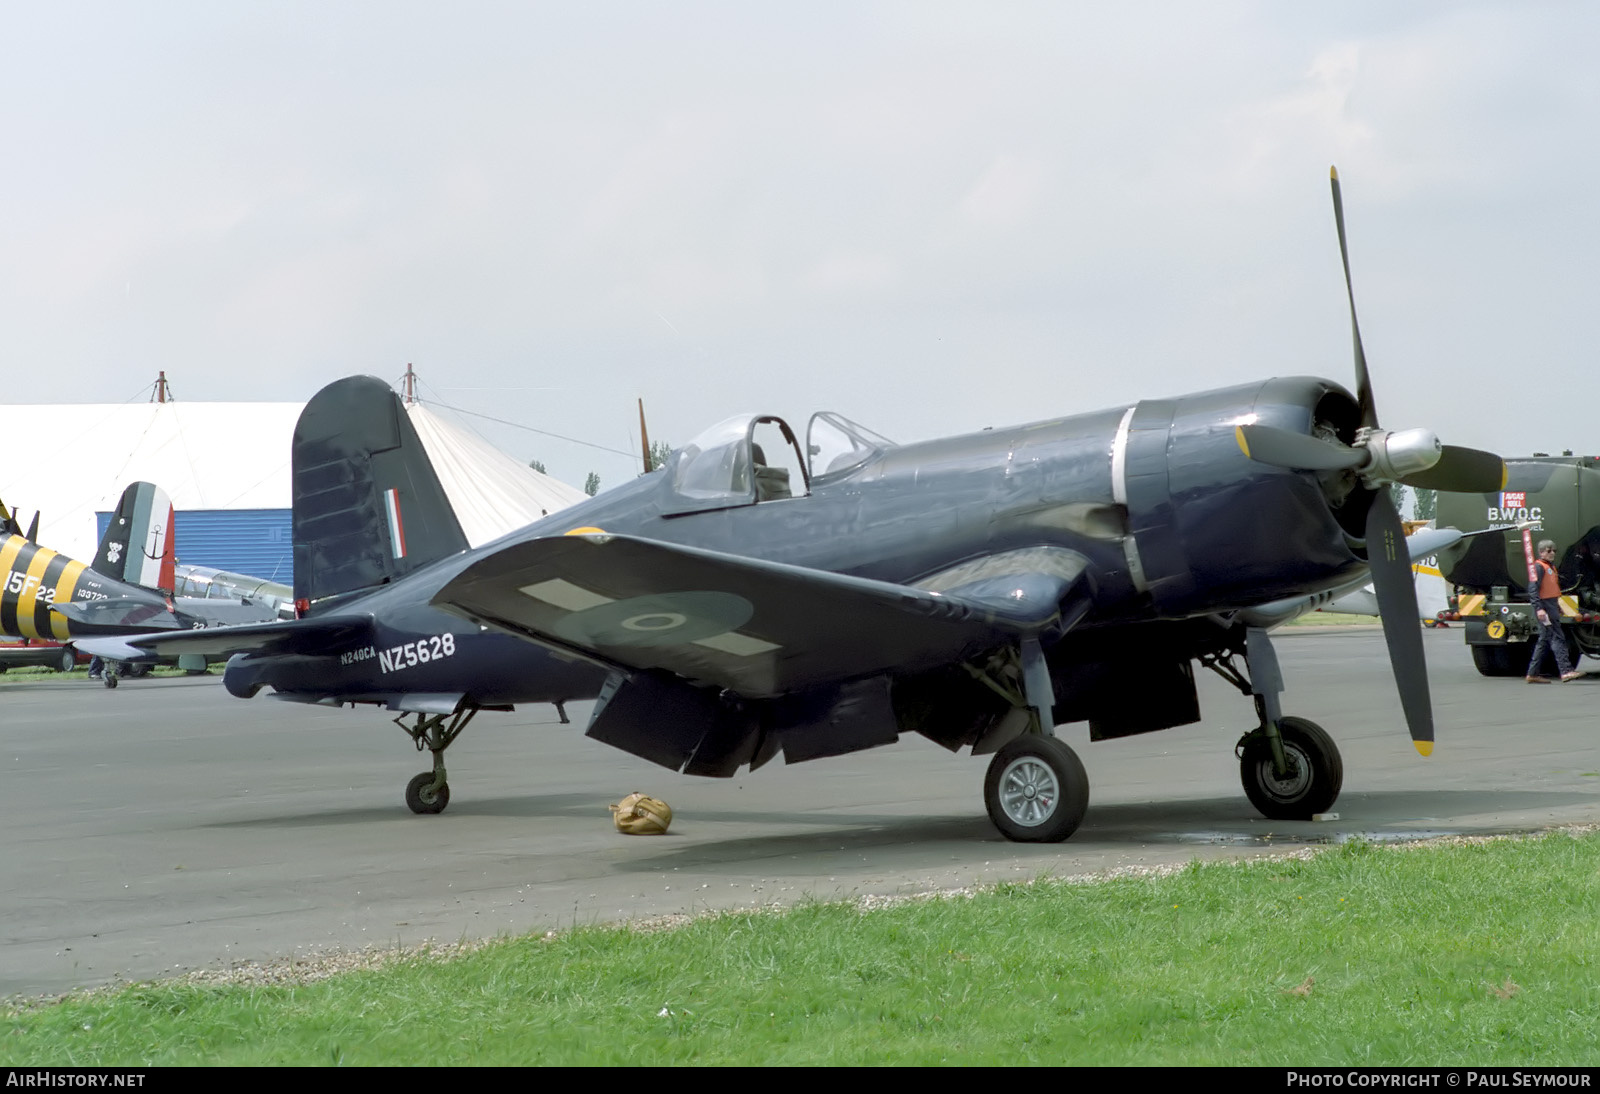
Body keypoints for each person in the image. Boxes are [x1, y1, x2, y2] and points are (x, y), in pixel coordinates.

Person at [1527, 539, 1582, 683]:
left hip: (1551, 604)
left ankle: (1532, 674)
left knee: (1544, 639)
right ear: (1541, 552)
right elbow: (1533, 589)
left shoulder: (1549, 567)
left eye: (1554, 550)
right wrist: (1539, 608)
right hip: (1545, 606)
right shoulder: (1539, 567)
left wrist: (1558, 606)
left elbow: (1551, 589)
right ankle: (1566, 671)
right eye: (1548, 550)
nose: (1552, 553)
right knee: (1557, 637)